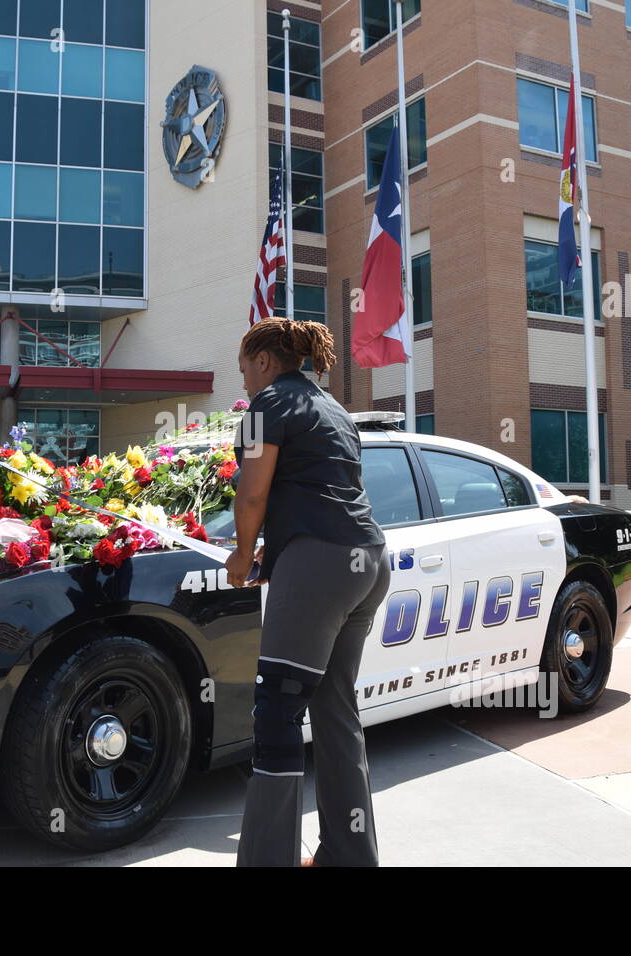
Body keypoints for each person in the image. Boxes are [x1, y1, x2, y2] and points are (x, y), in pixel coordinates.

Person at [226, 317, 392, 867]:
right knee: (334, 706)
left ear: (266, 362)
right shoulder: (336, 411)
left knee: (276, 708)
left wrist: (243, 554)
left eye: (246, 368)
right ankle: (350, 855)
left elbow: (252, 495)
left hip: (320, 562)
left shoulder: (265, 406)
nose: (245, 380)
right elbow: (325, 491)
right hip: (368, 559)